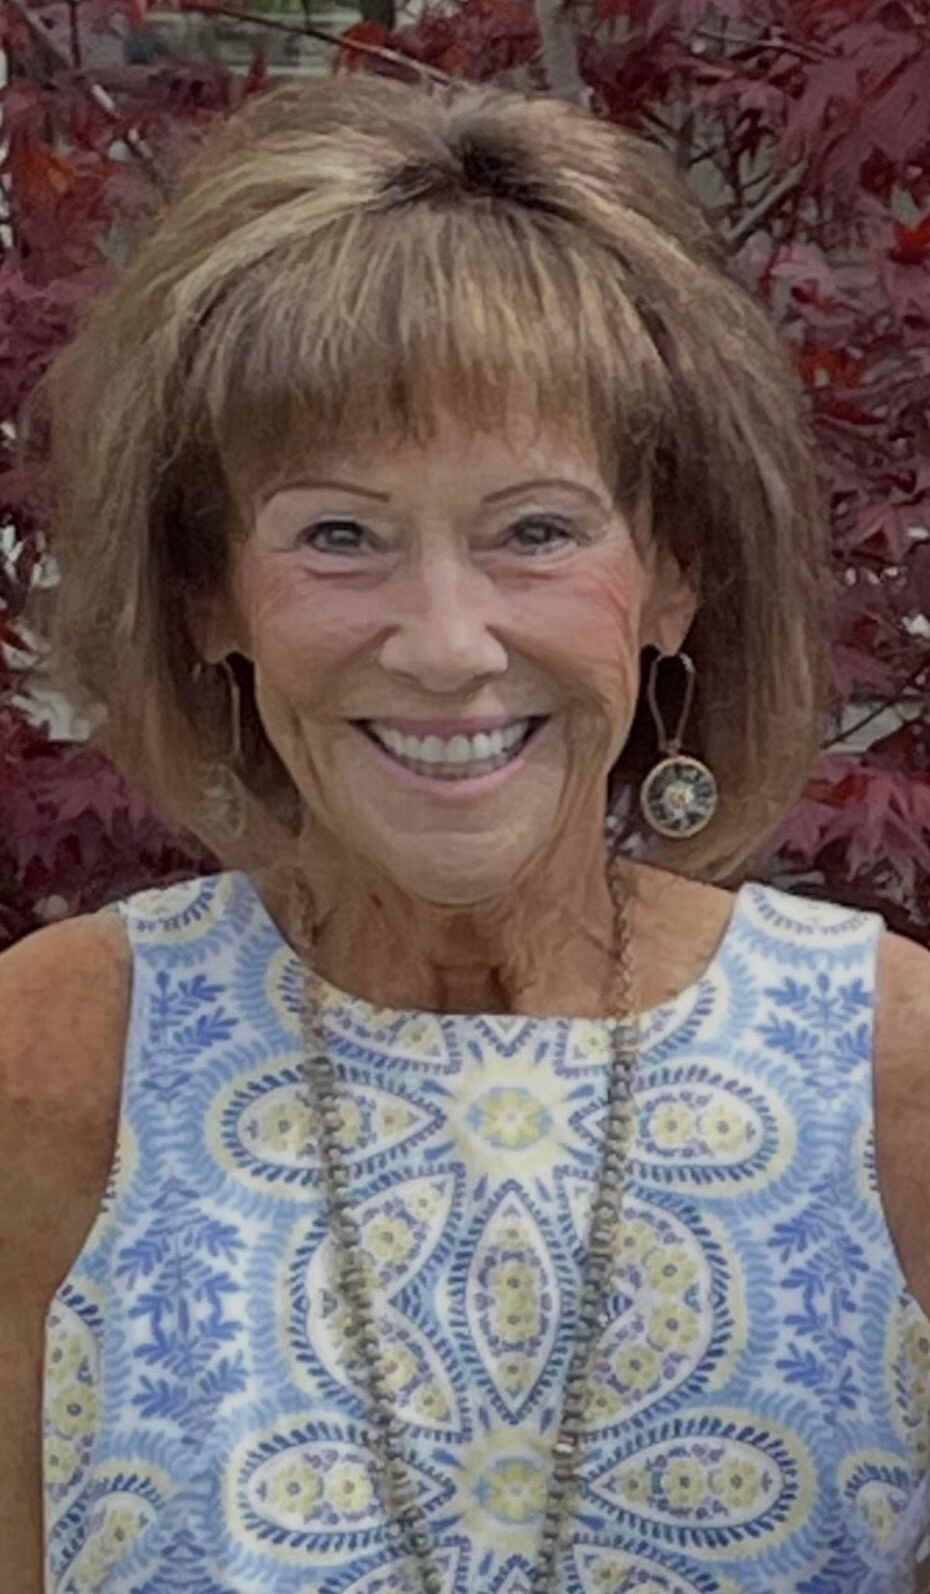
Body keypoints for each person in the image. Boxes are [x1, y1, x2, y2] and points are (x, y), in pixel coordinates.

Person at [1, 71, 929, 1594]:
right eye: (339, 535)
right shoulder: (55, 1055)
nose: (446, 644)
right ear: (210, 595)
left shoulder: (889, 1068)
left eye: (536, 531)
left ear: (674, 574)